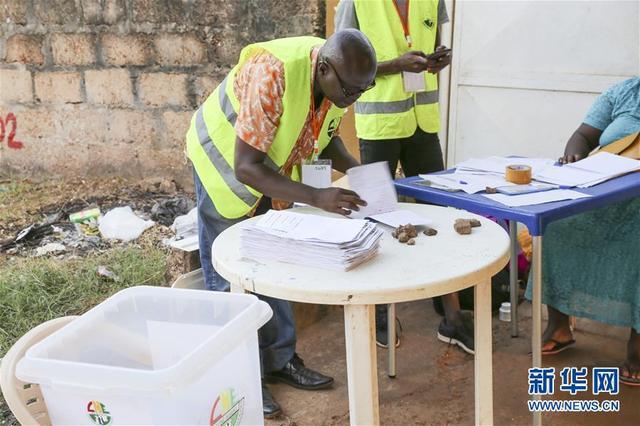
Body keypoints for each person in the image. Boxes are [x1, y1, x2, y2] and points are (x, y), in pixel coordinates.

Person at [185, 30, 378, 416]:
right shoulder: (274, 74)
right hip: (225, 165)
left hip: (267, 168)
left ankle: (280, 359)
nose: (353, 100)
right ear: (324, 69)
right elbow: (245, 167)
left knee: (274, 263)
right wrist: (318, 197)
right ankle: (242, 377)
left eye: (362, 91)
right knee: (232, 278)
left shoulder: (338, 80)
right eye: (350, 92)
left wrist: (361, 174)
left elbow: (325, 139)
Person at [335, 0, 474, 353]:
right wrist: (396, 64)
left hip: (423, 122)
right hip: (378, 126)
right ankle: (381, 312)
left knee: (439, 214)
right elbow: (340, 64)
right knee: (377, 216)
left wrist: (438, 61)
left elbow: (434, 51)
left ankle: (452, 316)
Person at [527, 76, 640, 386]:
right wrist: (574, 156)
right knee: (557, 225)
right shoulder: (625, 92)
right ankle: (560, 326)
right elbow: (583, 135)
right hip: (604, 192)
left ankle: (639, 341)